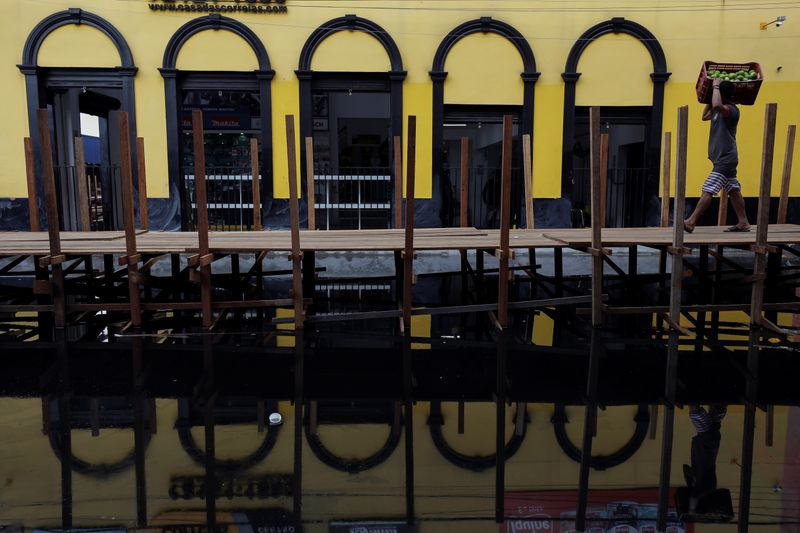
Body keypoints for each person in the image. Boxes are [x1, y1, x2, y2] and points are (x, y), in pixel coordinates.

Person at [684, 78, 750, 233]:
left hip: (726, 158)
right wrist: (710, 95)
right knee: (733, 189)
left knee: (709, 188)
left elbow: (717, 105)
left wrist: (715, 86)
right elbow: (705, 116)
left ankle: (691, 221)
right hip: (721, 158)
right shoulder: (716, 111)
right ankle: (743, 222)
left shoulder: (732, 111)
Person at [683, 404, 727, 512]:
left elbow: (685, 468)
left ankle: (719, 406)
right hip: (707, 443)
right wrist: (692, 509)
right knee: (696, 414)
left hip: (706, 441)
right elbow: (695, 497)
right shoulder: (709, 488)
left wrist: (691, 483)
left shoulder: (696, 483)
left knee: (715, 419)